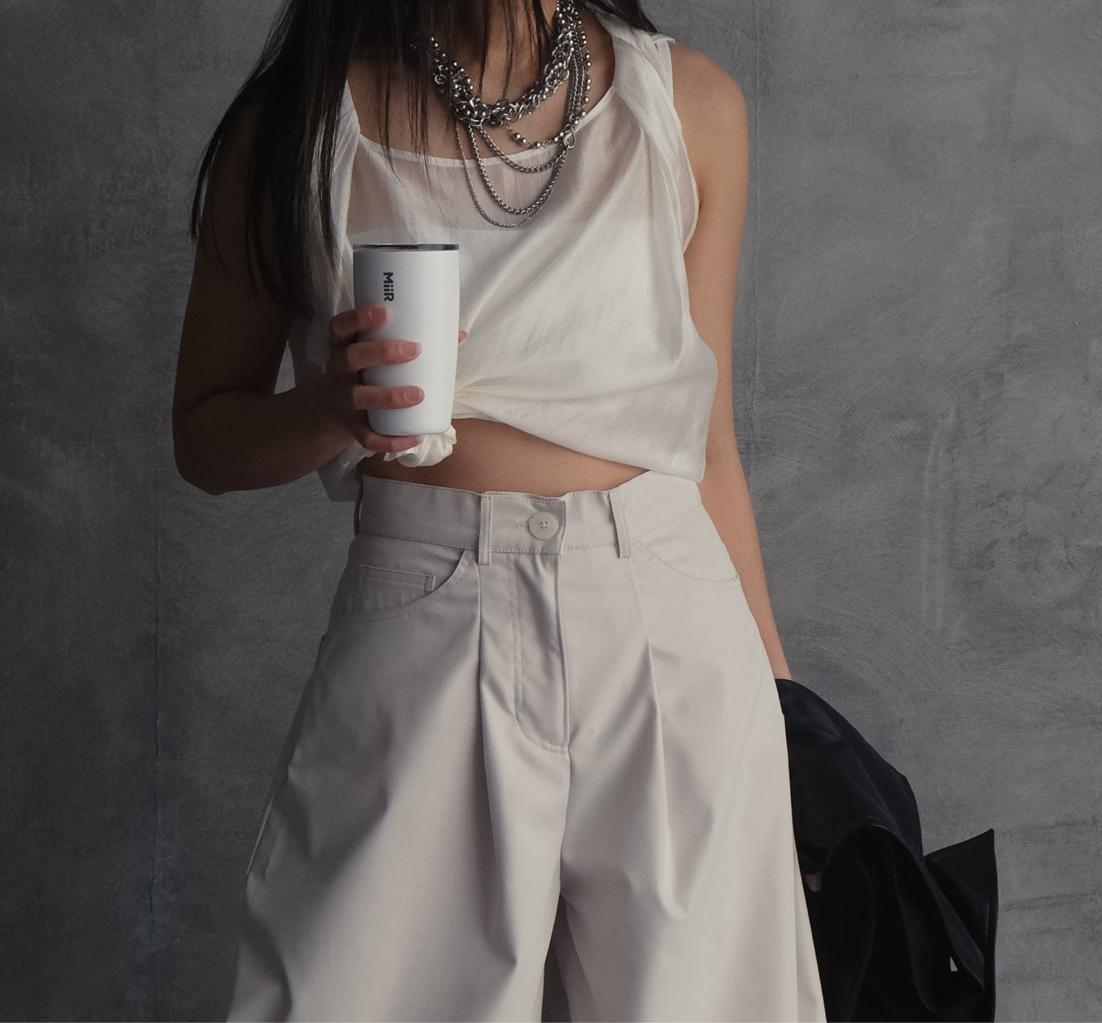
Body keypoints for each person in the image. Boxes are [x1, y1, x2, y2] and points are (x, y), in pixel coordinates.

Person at [171, 0, 826, 1018]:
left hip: (669, 624)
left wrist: (795, 722)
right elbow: (205, 436)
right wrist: (330, 408)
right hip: (426, 610)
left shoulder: (687, 106)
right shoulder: (295, 128)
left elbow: (709, 448)